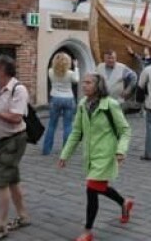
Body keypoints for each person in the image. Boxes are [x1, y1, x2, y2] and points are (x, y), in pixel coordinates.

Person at [58, 73, 133, 241]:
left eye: (88, 83)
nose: (84, 85)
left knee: (91, 188)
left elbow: (125, 130)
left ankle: (87, 231)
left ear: (98, 85)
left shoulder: (111, 105)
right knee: (99, 186)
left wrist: (121, 151)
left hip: (106, 155)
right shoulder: (83, 104)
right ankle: (124, 203)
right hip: (90, 156)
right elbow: (77, 132)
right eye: (83, 82)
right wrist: (65, 154)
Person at [0, 56, 31, 241]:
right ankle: (23, 216)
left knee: (1, 181)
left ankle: (1, 225)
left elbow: (17, 117)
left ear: (2, 69)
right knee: (12, 179)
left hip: (14, 140)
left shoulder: (19, 89)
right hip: (0, 140)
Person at [43, 53, 79, 155]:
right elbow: (76, 80)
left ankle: (46, 149)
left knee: (51, 125)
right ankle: (66, 150)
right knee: (67, 125)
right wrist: (76, 67)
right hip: (68, 98)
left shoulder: (50, 71)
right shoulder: (70, 73)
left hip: (55, 98)